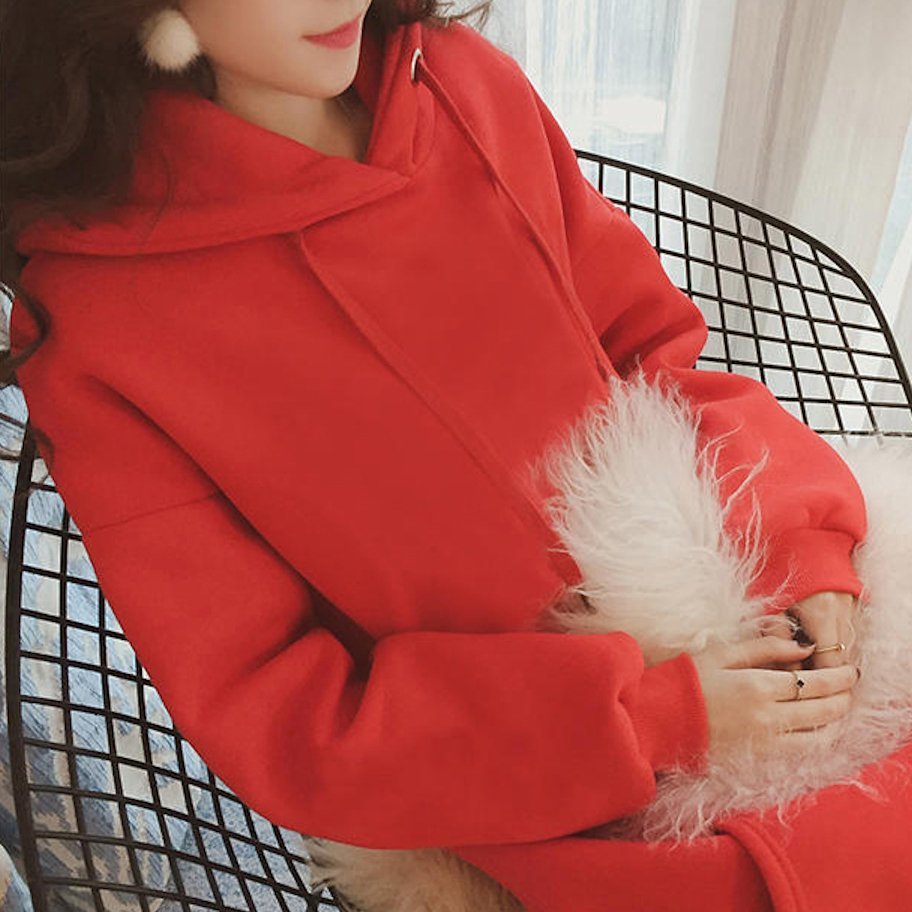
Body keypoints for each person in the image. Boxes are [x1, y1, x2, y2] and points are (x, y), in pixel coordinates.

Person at [2, 2, 909, 910]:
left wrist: (799, 544)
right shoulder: (97, 326)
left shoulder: (464, 81)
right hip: (535, 770)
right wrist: (652, 718)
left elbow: (650, 348)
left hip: (750, 599)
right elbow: (279, 711)